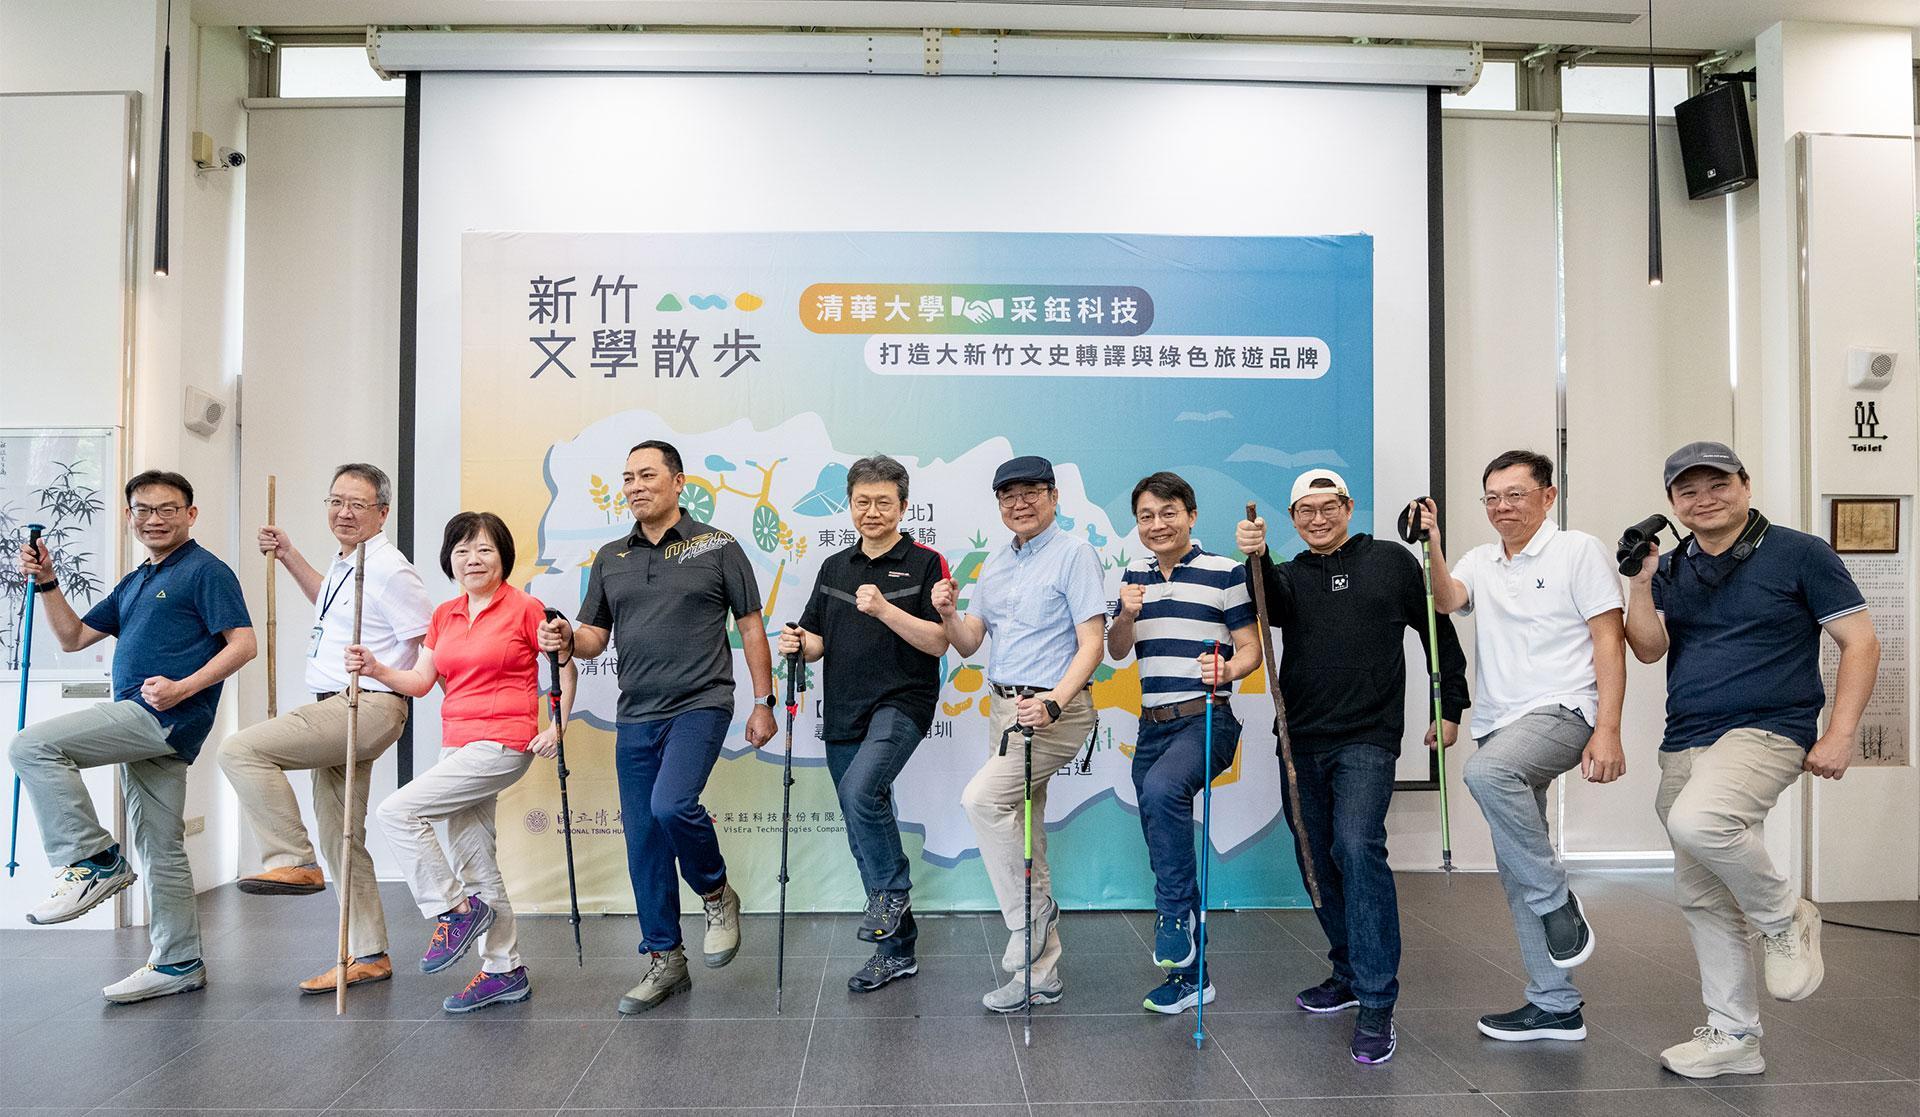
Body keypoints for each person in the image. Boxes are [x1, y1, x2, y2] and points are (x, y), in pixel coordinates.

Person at [1623, 442, 1877, 1079]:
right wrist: (1640, 581)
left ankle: (1784, 915)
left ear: (1745, 483)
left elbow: (1860, 642)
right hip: (1686, 736)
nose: (1703, 499)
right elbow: (1650, 650)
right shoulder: (1675, 564)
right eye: (1688, 490)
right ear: (1672, 503)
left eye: (1717, 484)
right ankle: (1734, 1035)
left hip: (1769, 728)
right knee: (1703, 895)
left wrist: (1840, 733)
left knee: (1700, 821)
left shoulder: (1801, 553)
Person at [1238, 468, 1470, 1065]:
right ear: (1292, 520)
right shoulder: (1288, 575)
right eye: (1304, 511)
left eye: (1328, 506)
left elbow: (1436, 630)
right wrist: (1257, 559)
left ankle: (1376, 1001)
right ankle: (1346, 968)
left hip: (1368, 736)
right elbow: (1270, 607)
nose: (1317, 519)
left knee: (1357, 845)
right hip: (1300, 740)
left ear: (1348, 506)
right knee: (1314, 854)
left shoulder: (1391, 563)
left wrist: (1451, 706)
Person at [537, 439, 777, 1015]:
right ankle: (665, 960)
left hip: (702, 701)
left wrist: (763, 700)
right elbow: (594, 637)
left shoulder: (717, 546)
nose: (636, 486)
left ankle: (717, 892)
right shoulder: (611, 557)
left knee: (673, 806)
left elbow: (749, 627)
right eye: (627, 478)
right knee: (644, 838)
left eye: (647, 475)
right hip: (636, 712)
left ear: (678, 483)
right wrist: (568, 636)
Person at [10, 470, 255, 1002]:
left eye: (168, 509)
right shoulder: (137, 579)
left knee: (31, 745)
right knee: (161, 846)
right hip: (150, 723)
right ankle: (178, 962)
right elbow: (73, 637)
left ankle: (92, 860)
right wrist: (47, 582)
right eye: (143, 509)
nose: (155, 519)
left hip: (160, 716)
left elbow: (243, 645)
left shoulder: (206, 571)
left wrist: (183, 688)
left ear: (190, 515)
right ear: (129, 518)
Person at [1415, 449, 1626, 1044]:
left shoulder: (1577, 550)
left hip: (1564, 708)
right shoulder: (1482, 560)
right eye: (1492, 498)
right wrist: (1431, 541)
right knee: (1514, 867)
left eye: (1516, 494)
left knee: (1485, 775)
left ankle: (1557, 900)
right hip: (1499, 720)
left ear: (1548, 496)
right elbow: (1447, 600)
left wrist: (1607, 728)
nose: (1503, 507)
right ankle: (1556, 1004)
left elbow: (1608, 643)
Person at [217, 462, 434, 994]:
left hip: (367, 704)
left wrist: (395, 680)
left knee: (242, 750)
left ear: (383, 512)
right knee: (344, 837)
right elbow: (332, 604)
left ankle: (292, 859)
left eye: (358, 504)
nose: (344, 512)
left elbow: (432, 633)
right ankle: (370, 954)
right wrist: (289, 555)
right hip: (343, 704)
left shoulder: (389, 567)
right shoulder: (349, 563)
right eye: (336, 501)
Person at [358, 512, 576, 1013]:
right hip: (456, 744)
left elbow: (564, 663)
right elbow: (420, 683)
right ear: (448, 559)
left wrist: (557, 726)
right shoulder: (445, 614)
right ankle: (505, 969)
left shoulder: (525, 608)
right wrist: (375, 668)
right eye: (461, 550)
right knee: (474, 859)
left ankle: (453, 910)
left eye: (483, 550)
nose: (472, 559)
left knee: (396, 811)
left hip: (503, 742)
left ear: (503, 556)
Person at [935, 454, 1105, 1013]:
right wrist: (946, 613)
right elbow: (968, 642)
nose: (1019, 504)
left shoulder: (1075, 554)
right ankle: (1041, 976)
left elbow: (1092, 645)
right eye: (1008, 496)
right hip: (1003, 710)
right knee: (1024, 832)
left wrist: (1054, 703)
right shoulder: (996, 565)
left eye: (1031, 492)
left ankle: (1028, 918)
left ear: (1054, 497)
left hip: (1056, 710)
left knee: (982, 800)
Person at [780, 454, 949, 993]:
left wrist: (884, 610)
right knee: (861, 820)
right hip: (845, 707)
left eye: (884, 502)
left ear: (903, 506)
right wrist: (798, 644)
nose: (872, 511)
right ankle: (896, 950)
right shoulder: (835, 568)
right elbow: (817, 641)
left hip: (903, 701)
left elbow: (939, 641)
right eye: (862, 502)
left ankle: (892, 891)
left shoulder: (925, 562)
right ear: (850, 506)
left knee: (860, 789)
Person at [1107, 472, 1260, 1017]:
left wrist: (1226, 667)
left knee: (1165, 790)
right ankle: (1192, 977)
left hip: (1208, 719)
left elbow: (1251, 650)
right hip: (1153, 726)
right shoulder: (1134, 577)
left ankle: (1173, 916)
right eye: (1146, 516)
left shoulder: (1225, 572)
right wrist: (1125, 612)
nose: (1157, 524)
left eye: (1168, 512)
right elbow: (1119, 651)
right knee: (1157, 817)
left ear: (1191, 515)